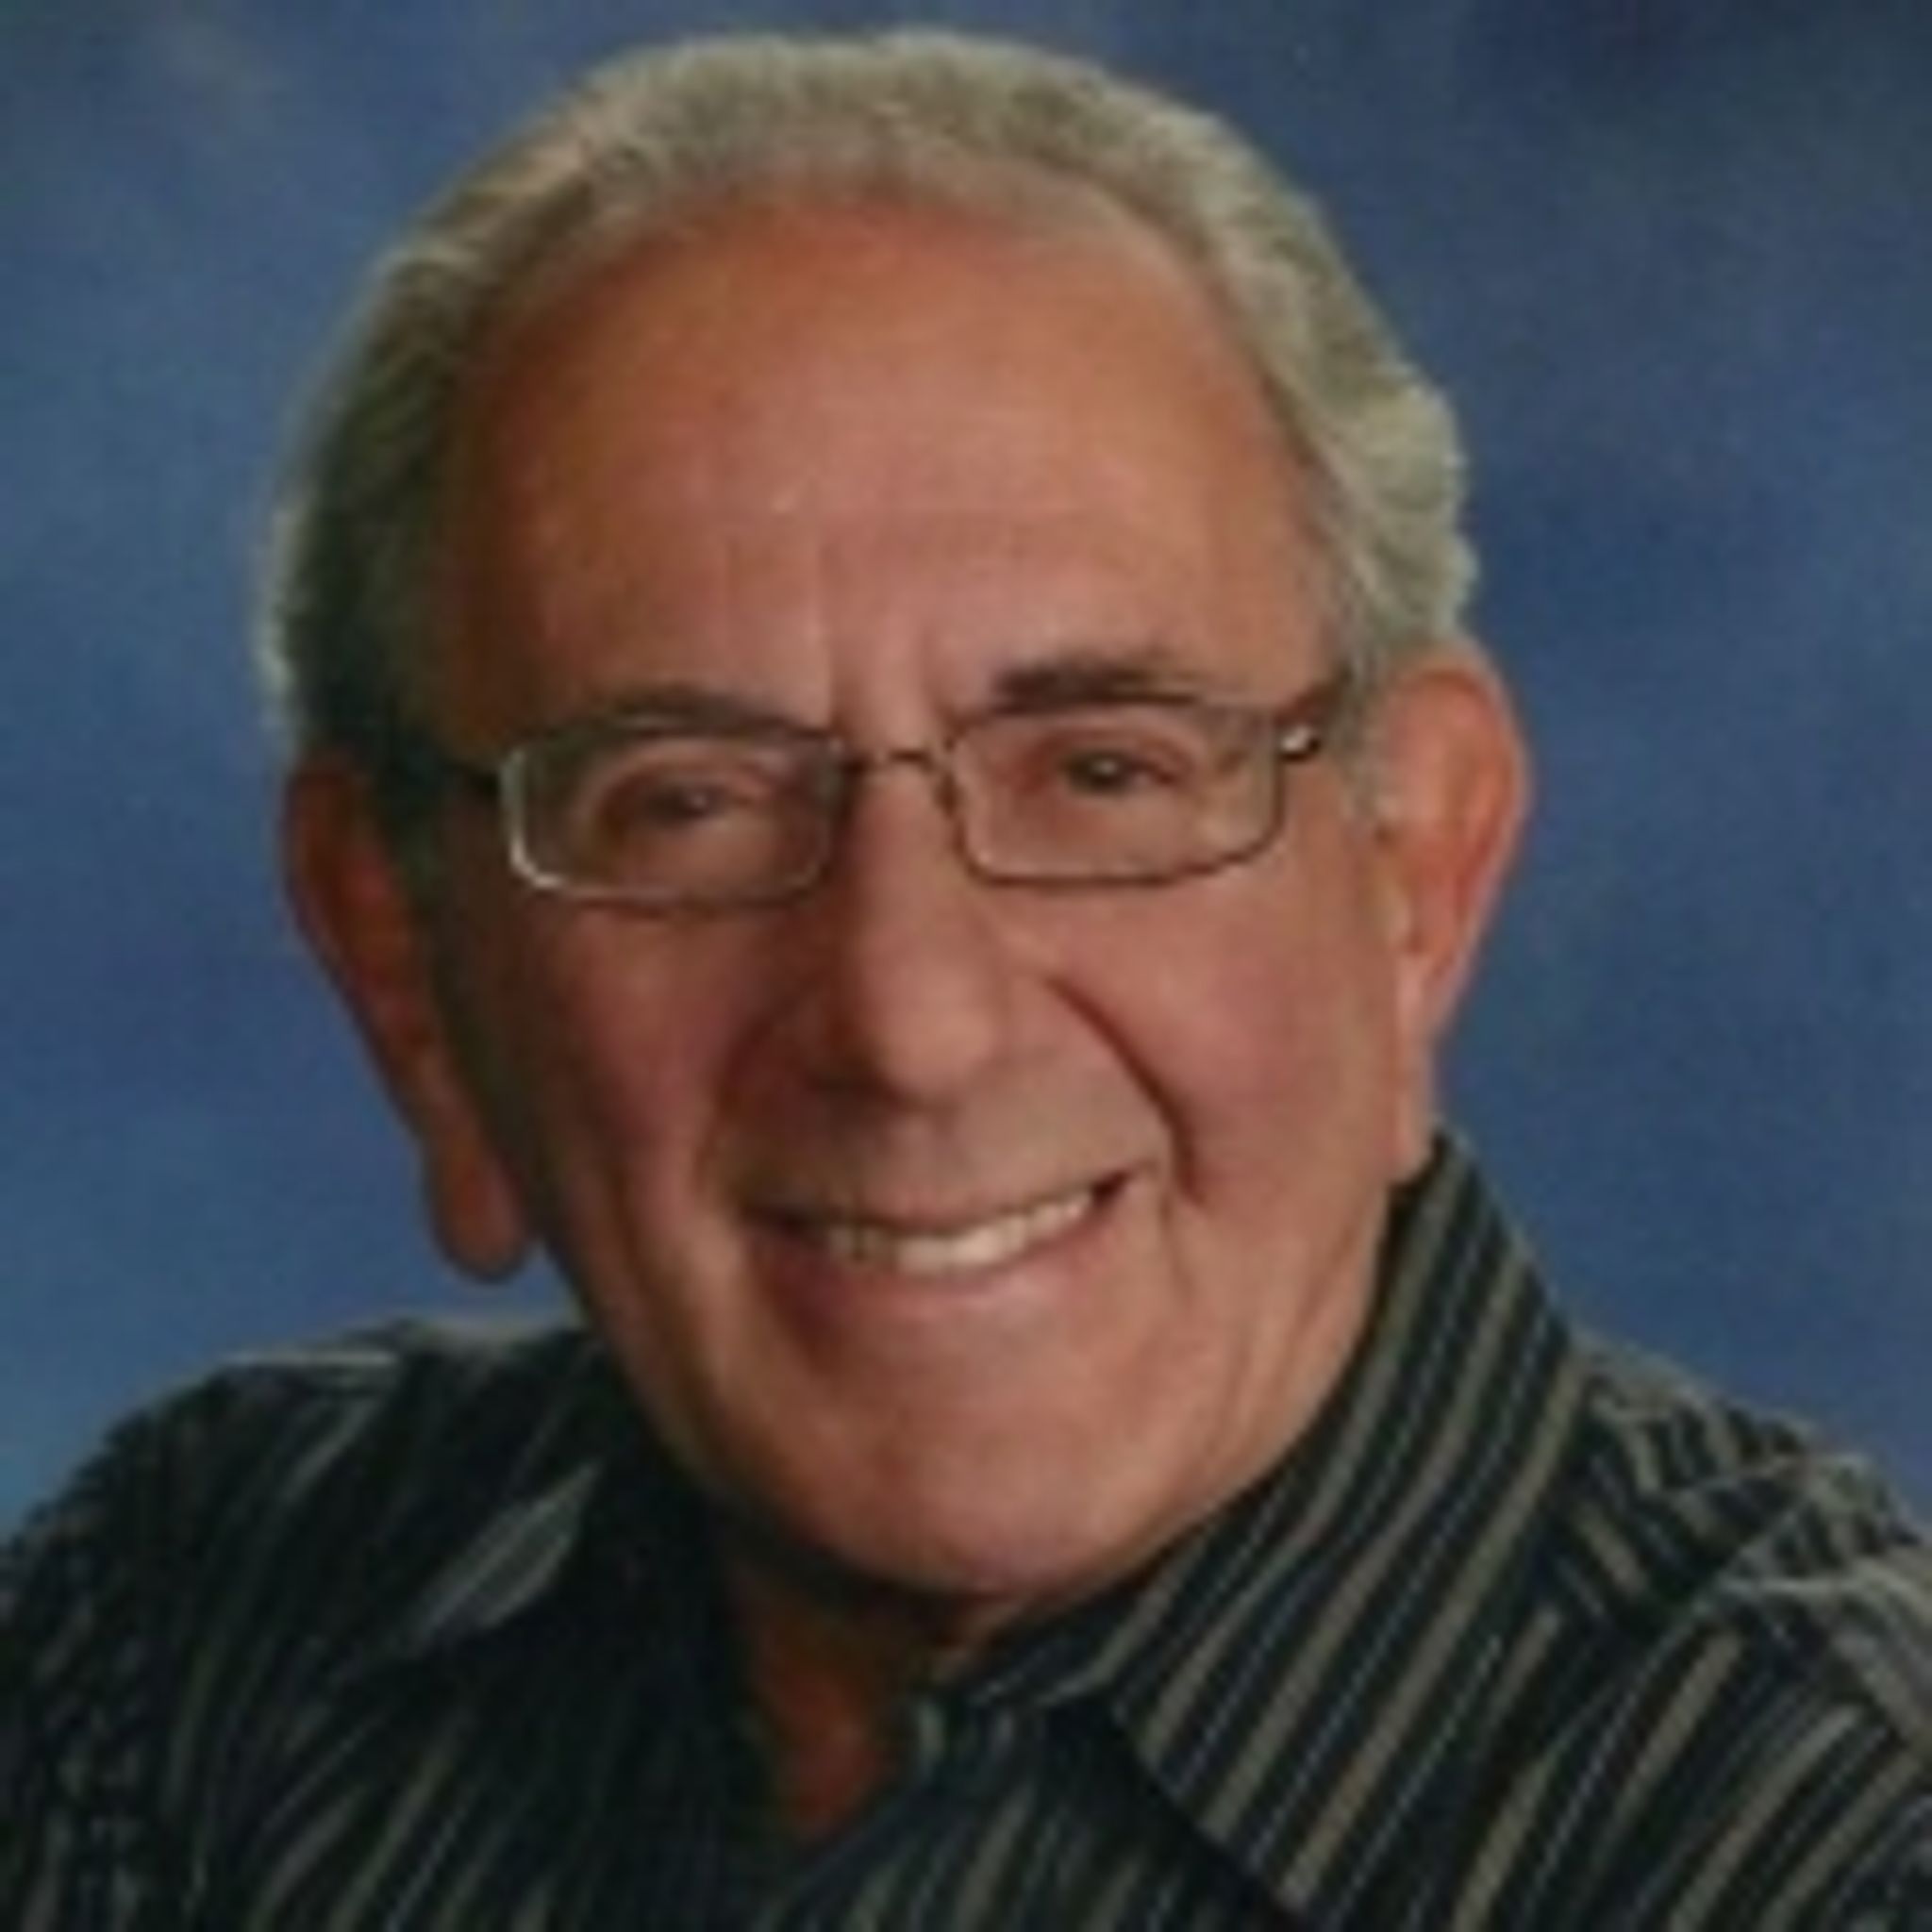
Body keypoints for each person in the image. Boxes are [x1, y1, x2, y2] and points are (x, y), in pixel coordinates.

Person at [4, 27, 1927, 1925]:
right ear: (407, 967)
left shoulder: (1836, 1851)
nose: (912, 1023)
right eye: (686, 805)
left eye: (1103, 772)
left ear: (1411, 873)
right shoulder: (180, 1647)